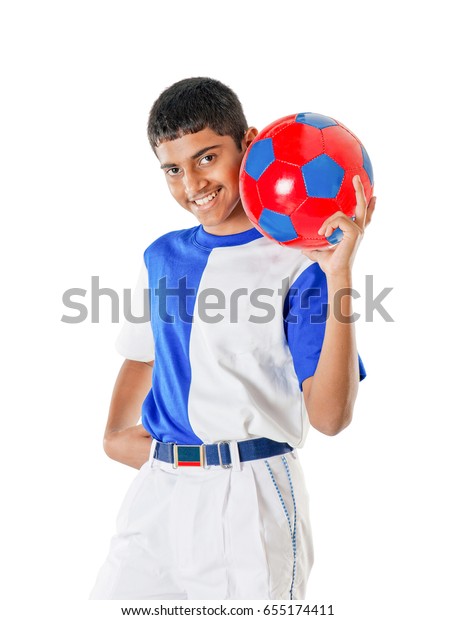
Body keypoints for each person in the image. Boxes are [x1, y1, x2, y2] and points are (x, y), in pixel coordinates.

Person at [89, 77, 376, 600]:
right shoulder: (162, 256)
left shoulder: (300, 261)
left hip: (250, 498)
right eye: (173, 169)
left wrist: (340, 276)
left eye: (206, 157)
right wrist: (113, 434)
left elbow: (331, 418)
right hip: (161, 493)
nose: (192, 182)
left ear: (249, 143)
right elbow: (143, 354)